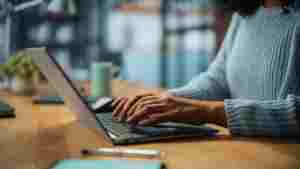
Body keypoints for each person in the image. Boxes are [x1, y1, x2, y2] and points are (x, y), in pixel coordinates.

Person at [112, 0, 300, 137]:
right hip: (241, 150)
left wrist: (207, 111)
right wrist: (168, 101)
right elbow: (219, 78)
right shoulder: (247, 10)